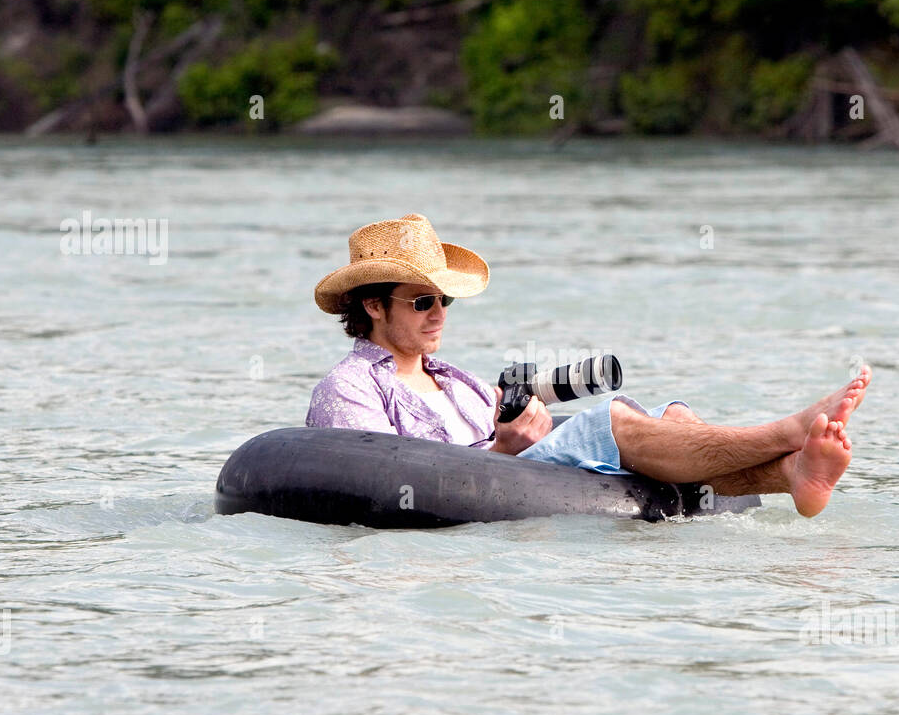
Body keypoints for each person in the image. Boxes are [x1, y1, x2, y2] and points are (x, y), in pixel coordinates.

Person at [307, 213, 870, 517]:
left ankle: (785, 474)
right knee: (611, 424)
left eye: (445, 300)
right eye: (423, 301)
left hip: (516, 471)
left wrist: (522, 432)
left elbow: (513, 433)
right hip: (476, 485)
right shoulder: (351, 385)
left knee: (669, 412)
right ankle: (782, 433)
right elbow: (372, 476)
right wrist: (504, 451)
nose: (439, 315)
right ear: (374, 307)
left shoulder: (455, 380)